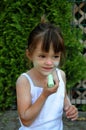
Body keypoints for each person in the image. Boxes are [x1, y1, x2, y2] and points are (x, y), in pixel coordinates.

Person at [16, 17, 78, 130]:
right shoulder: (24, 81)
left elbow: (62, 97)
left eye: (55, 56)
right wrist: (44, 95)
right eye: (42, 56)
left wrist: (69, 107)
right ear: (30, 55)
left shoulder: (61, 75)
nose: (49, 63)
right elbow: (26, 121)